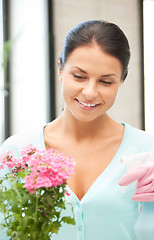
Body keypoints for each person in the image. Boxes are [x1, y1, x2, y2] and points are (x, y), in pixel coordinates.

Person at [0, 19, 154, 240]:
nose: (90, 92)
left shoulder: (146, 151)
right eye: (79, 76)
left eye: (105, 82)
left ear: (122, 80)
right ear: (60, 69)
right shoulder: (18, 151)